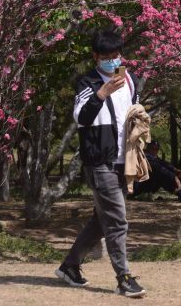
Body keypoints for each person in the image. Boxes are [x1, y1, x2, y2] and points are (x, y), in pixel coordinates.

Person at [55, 28, 146, 298]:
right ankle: (124, 278)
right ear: (95, 56)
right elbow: (81, 118)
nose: (113, 61)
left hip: (123, 160)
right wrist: (101, 93)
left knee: (101, 221)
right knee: (117, 221)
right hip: (99, 161)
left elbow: (133, 109)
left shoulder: (130, 79)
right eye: (107, 56)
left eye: (117, 55)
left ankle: (70, 266)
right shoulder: (88, 83)